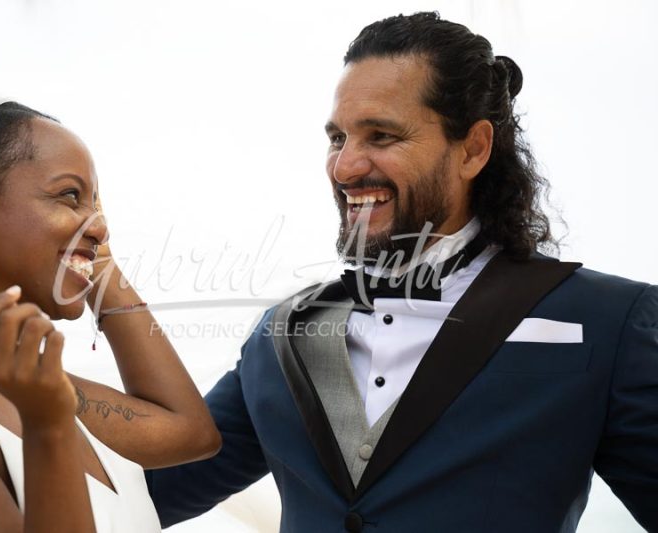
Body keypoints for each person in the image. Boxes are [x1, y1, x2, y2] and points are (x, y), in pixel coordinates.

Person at [146, 12, 658, 532]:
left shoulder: (609, 321)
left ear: (474, 149)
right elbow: (145, 494)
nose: (345, 168)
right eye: (337, 138)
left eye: (381, 136)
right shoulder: (283, 333)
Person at [0, 87, 221, 532]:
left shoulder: (30, 386)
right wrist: (47, 429)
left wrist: (91, 251)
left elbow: (190, 432)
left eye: (97, 203)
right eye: (70, 195)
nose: (102, 225)